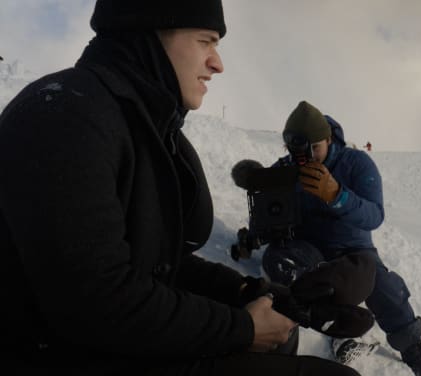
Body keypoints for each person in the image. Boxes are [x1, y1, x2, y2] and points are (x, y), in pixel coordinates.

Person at [0, 1, 360, 375]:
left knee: (282, 339)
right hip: (64, 357)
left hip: (108, 347)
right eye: (206, 41)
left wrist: (247, 292)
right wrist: (242, 328)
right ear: (150, 34)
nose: (217, 63)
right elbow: (98, 303)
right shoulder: (66, 116)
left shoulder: (140, 125)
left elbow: (153, 262)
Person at [262, 101, 421, 376]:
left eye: (315, 148)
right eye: (299, 150)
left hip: (353, 248)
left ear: (328, 139)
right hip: (308, 246)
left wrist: (337, 195)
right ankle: (337, 331)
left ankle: (413, 348)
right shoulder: (286, 168)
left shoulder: (357, 163)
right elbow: (271, 212)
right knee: (280, 261)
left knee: (382, 284)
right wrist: (259, 231)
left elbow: (374, 215)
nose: (308, 157)